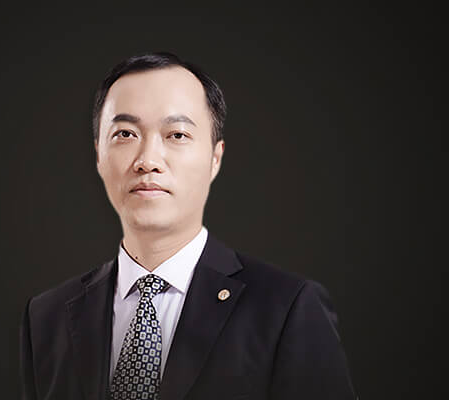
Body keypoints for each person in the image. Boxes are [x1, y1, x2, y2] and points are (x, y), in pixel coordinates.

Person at [20, 52, 356, 400]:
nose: (148, 160)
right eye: (125, 133)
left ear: (215, 158)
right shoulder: (46, 318)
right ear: (99, 155)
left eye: (177, 134)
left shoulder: (287, 308)